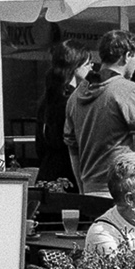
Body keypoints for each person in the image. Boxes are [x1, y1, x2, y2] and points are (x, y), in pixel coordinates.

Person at [66, 30, 135, 195]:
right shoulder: (125, 89)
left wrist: (82, 188)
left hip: (90, 190)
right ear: (127, 55)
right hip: (123, 190)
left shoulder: (75, 96)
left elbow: (72, 147)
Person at [36, 40, 87, 185]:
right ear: (76, 67)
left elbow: (39, 146)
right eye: (88, 63)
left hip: (47, 172)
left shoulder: (47, 99)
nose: (92, 67)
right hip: (70, 175)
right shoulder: (74, 101)